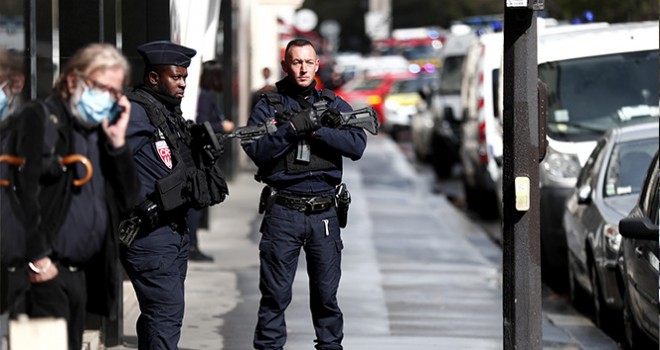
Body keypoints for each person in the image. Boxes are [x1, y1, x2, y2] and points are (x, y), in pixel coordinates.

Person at [8, 43, 139, 350]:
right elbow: (20, 194)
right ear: (72, 80)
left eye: (114, 92)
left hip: (80, 274)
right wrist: (38, 261)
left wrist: (118, 144)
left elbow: (129, 198)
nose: (106, 97)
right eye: (100, 87)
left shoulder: (98, 131)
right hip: (44, 272)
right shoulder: (40, 118)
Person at [242, 39, 367, 350]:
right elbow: (255, 149)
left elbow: (357, 145)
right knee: (275, 295)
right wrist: (291, 128)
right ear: (286, 65)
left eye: (308, 62)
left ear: (316, 65)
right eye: (295, 62)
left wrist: (317, 131)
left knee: (326, 296)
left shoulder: (333, 104)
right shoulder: (268, 106)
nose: (302, 68)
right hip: (284, 210)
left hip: (324, 213)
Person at [120, 40, 228, 349]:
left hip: (174, 229)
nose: (182, 83)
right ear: (154, 78)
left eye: (184, 77)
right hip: (150, 234)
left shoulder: (168, 113)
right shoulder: (137, 112)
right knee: (166, 315)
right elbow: (110, 163)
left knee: (158, 315)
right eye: (175, 77)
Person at [187, 59, 234, 262]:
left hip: (206, 155)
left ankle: (193, 245)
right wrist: (222, 126)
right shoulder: (206, 97)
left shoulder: (209, 96)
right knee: (197, 203)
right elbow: (203, 124)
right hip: (202, 156)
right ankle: (192, 246)